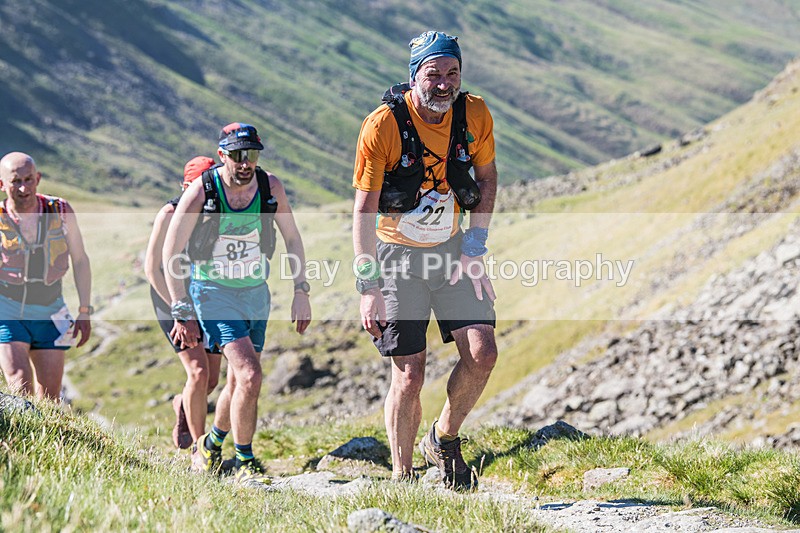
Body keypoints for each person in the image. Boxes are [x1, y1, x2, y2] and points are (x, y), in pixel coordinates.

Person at [352, 31, 498, 490]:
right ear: (414, 75)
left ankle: (443, 438)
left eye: (452, 73)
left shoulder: (474, 113)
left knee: (482, 351)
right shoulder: (383, 125)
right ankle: (402, 476)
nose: (443, 84)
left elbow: (488, 179)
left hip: (452, 251)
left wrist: (475, 248)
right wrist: (367, 286)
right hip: (396, 257)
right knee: (410, 373)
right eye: (433, 74)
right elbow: (364, 209)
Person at [163, 123, 311, 487]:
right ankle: (244, 458)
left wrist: (301, 290)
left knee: (237, 381)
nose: (245, 163)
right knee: (250, 375)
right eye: (237, 155)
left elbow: (292, 238)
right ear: (222, 155)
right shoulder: (203, 190)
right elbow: (172, 251)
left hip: (255, 293)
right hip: (213, 292)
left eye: (252, 155)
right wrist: (182, 308)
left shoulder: (269, 186)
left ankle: (212, 445)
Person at [144, 156, 232, 450]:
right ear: (185, 186)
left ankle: (184, 403)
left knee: (210, 382)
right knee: (198, 371)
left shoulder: (222, 210)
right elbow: (152, 268)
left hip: (207, 295)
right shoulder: (169, 213)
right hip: (170, 296)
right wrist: (181, 309)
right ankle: (200, 450)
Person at [0, 152, 92, 401]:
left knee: (50, 398)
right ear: (2, 184)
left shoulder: (60, 210)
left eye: (29, 179)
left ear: (38, 178)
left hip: (50, 310)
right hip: (8, 312)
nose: (23, 188)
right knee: (19, 384)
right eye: (15, 181)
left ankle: (45, 440)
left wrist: (84, 310)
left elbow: (80, 259)